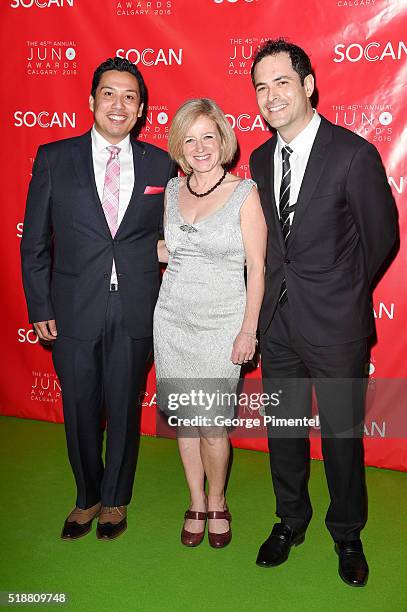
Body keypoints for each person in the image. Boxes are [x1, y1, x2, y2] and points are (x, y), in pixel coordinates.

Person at [249, 39, 397, 586]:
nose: (272, 96)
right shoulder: (262, 159)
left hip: (336, 324)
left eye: (282, 82)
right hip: (278, 321)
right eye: (261, 87)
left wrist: (341, 290)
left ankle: (347, 533)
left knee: (341, 435)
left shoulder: (353, 154)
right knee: (283, 429)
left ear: (308, 85)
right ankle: (290, 520)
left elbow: (381, 238)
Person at [20, 57, 175, 541]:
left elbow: (175, 232)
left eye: (129, 96)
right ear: (91, 101)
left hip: (136, 306)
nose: (118, 104)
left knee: (126, 408)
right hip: (72, 308)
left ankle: (115, 500)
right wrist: (40, 306)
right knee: (80, 407)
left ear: (142, 108)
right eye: (109, 93)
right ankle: (86, 496)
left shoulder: (160, 163)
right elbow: (35, 242)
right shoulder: (53, 157)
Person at [154, 98, 267, 548]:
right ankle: (195, 501)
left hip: (223, 323)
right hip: (172, 319)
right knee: (186, 421)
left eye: (208, 136)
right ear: (179, 145)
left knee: (213, 424)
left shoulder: (244, 193)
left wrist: (247, 330)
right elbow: (171, 251)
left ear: (223, 140)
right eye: (189, 138)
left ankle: (218, 501)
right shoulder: (170, 190)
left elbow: (256, 267)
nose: (199, 147)